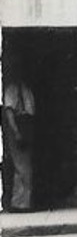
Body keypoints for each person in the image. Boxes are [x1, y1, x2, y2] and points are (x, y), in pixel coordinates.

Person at [2, 71, 35, 212]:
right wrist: (16, 132)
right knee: (21, 166)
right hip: (18, 125)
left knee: (26, 166)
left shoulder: (26, 89)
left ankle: (24, 202)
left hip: (27, 124)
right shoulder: (12, 89)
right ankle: (19, 203)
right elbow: (9, 112)